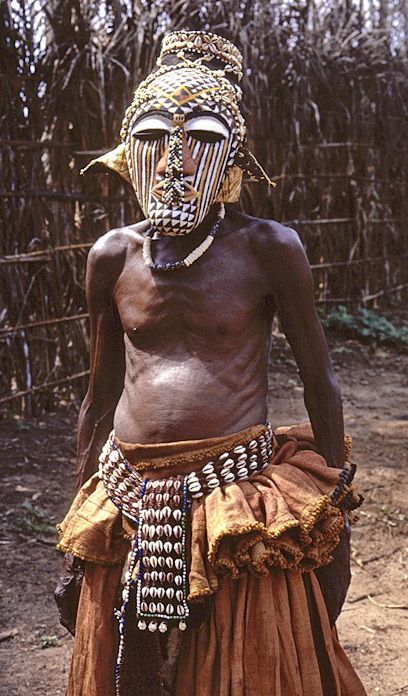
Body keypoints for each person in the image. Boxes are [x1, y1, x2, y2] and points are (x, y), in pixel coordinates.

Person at [55, 30, 366, 696]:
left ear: (232, 155)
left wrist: (332, 494)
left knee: (241, 666)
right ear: (126, 149)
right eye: (152, 135)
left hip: (234, 492)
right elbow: (99, 393)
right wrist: (79, 514)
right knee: (131, 670)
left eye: (198, 136)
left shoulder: (268, 248)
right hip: (129, 488)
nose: (173, 158)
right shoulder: (112, 255)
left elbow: (320, 378)